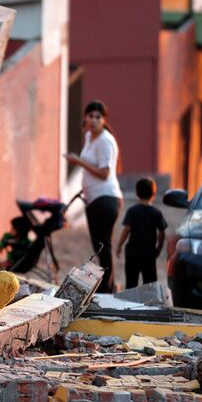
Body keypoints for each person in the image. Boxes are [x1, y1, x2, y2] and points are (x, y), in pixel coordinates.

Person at [64, 100, 123, 293]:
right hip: (92, 199)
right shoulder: (89, 136)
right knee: (97, 244)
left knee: (103, 245)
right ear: (85, 117)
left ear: (104, 120)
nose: (94, 120)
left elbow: (104, 173)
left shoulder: (105, 141)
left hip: (105, 198)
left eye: (98, 117)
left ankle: (108, 287)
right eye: (91, 116)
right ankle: (105, 284)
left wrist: (78, 162)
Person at [115, 178, 167, 289]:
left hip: (132, 252)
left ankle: (129, 303)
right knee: (150, 283)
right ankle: (149, 303)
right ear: (153, 193)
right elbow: (162, 233)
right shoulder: (156, 213)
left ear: (137, 193)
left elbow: (126, 230)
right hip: (149, 253)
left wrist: (119, 245)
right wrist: (158, 248)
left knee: (131, 283)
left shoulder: (132, 211)